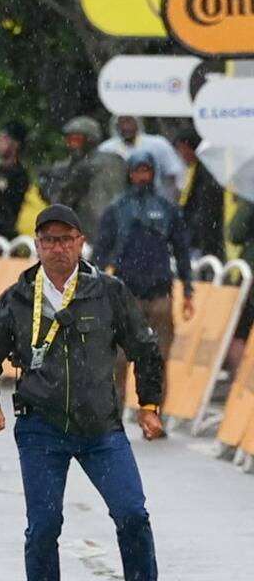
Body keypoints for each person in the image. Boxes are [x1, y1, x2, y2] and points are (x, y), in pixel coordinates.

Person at [0, 204, 183, 581]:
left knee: (132, 514)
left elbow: (145, 348)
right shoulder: (16, 299)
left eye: (66, 239)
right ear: (37, 246)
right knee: (44, 526)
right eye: (49, 241)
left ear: (81, 242)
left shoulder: (108, 292)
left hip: (100, 427)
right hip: (40, 428)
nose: (58, 248)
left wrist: (149, 406)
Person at [96, 149, 195, 400]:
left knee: (156, 358)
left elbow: (182, 251)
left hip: (160, 292)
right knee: (118, 358)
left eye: (146, 170)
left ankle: (154, 414)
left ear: (153, 172)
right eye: (137, 171)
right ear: (130, 174)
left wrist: (188, 289)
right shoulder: (117, 208)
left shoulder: (167, 208)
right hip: (124, 293)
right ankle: (113, 415)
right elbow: (101, 252)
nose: (142, 176)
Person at [98, 114, 182, 204]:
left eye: (129, 121)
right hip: (119, 203)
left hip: (154, 200)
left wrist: (171, 202)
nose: (126, 126)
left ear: (137, 122)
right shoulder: (106, 148)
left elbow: (174, 173)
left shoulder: (158, 144)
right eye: (122, 122)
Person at [173, 127, 225, 260]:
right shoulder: (192, 170)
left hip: (203, 241)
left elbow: (206, 212)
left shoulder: (206, 173)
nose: (181, 153)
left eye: (182, 148)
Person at [0, 122, 34, 239]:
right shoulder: (0, 171)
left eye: (4, 138)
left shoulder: (16, 173)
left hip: (6, 234)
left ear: (15, 144)